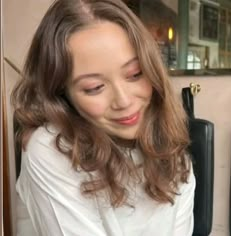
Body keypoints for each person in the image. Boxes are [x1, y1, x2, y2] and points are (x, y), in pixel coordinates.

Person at [12, 0, 196, 235]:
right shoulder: (49, 149)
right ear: (61, 94)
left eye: (135, 74)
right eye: (94, 87)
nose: (124, 101)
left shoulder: (173, 153)